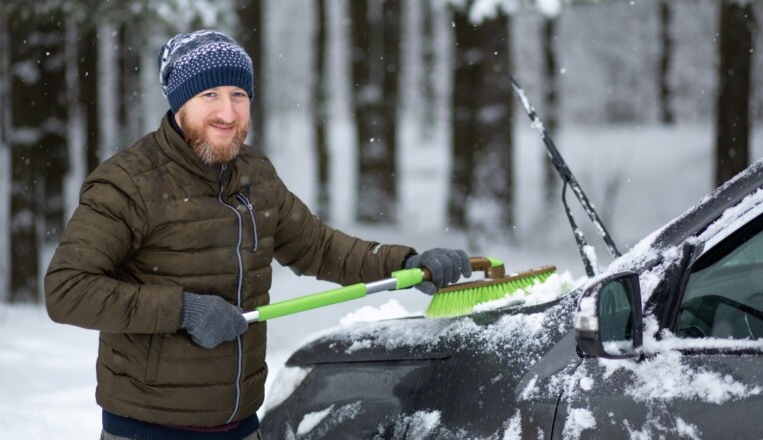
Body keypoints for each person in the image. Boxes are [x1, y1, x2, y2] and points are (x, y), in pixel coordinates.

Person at [44, 29, 471, 440]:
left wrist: (406, 263)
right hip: (149, 430)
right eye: (209, 95)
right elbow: (67, 290)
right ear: (179, 103)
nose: (227, 113)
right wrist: (184, 311)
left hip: (242, 425)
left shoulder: (255, 174)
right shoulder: (129, 182)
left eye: (238, 95)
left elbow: (320, 248)